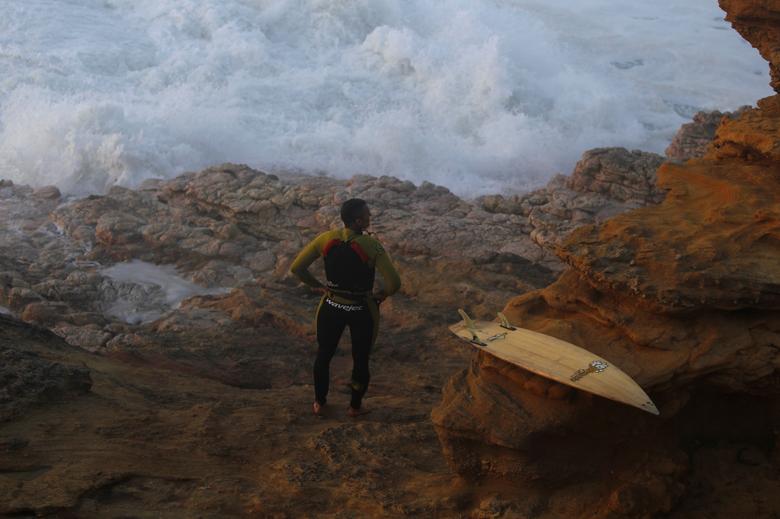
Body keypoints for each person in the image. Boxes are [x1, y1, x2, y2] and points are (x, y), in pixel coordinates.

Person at [289, 198, 401, 417]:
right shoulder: (372, 245)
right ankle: (355, 407)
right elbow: (394, 283)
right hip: (362, 309)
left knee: (324, 354)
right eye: (367, 215)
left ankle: (319, 403)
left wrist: (318, 286)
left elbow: (297, 268)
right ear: (359, 221)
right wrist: (381, 295)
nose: (370, 217)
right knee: (361, 359)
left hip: (331, 304)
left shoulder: (325, 239)